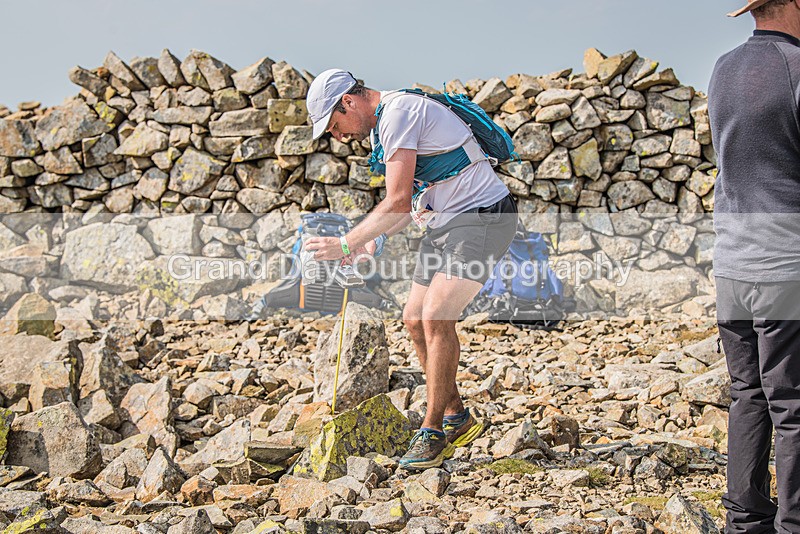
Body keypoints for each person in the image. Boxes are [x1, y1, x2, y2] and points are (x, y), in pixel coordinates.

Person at [303, 69, 518, 469]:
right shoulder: (385, 126)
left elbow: (398, 200)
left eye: (334, 125)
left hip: (484, 216)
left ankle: (433, 430)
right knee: (413, 319)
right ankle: (456, 415)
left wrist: (346, 242)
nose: (338, 136)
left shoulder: (399, 112)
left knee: (437, 315)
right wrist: (371, 241)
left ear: (348, 102)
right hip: (447, 223)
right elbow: (413, 201)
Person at [709, 0, 800, 531]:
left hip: (733, 260)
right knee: (792, 402)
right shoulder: (795, 68)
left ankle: (744, 520)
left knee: (748, 393)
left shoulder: (723, 67)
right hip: (785, 263)